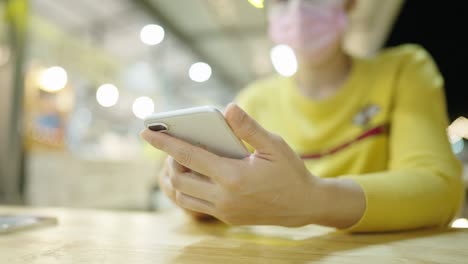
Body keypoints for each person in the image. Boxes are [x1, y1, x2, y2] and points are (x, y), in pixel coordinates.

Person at [141, 0, 463, 232]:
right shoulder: (255, 100)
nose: (297, 11)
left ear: (350, 3)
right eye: (281, 1)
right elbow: (230, 200)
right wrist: (193, 194)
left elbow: (439, 190)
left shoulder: (404, 71)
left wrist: (313, 199)